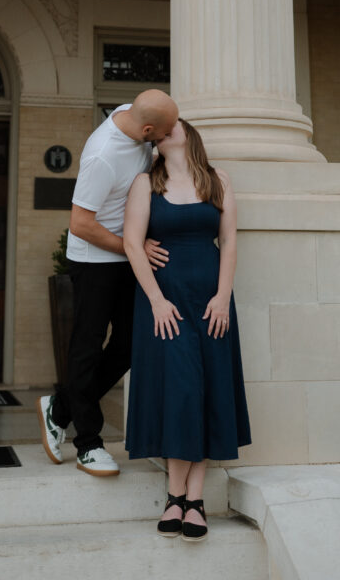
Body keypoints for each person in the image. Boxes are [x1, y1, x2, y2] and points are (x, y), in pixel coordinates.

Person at [37, 89, 179, 477]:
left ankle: (60, 408)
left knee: (130, 344)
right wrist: (132, 246)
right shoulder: (103, 155)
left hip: (125, 257)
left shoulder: (129, 116)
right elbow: (80, 224)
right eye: (163, 135)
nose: (164, 141)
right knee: (86, 347)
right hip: (95, 261)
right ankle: (88, 443)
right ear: (146, 128)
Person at [123, 118, 251, 541]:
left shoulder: (218, 180)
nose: (162, 131)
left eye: (170, 125)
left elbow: (230, 241)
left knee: (209, 389)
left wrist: (222, 296)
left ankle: (190, 499)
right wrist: (157, 300)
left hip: (211, 301)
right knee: (180, 390)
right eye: (156, 131)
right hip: (165, 304)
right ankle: (176, 494)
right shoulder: (145, 184)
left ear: (188, 133)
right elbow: (131, 242)